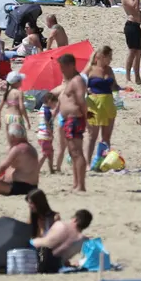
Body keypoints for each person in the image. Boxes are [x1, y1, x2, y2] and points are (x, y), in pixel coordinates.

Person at [57, 53, 89, 192]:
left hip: (75, 118)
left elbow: (82, 99)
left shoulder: (77, 80)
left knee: (77, 152)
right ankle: (76, 183)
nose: (61, 70)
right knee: (72, 152)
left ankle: (81, 185)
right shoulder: (71, 80)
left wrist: (85, 118)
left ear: (70, 65)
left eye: (63, 67)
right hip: (69, 119)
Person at [32, 209, 92, 273]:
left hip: (30, 252)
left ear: (75, 219)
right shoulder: (84, 241)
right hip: (52, 265)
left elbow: (48, 242)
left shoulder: (59, 224)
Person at [120, 0, 141, 85]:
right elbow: (134, 6)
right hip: (130, 26)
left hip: (137, 26)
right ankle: (128, 77)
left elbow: (137, 8)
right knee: (132, 52)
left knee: (138, 52)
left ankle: (137, 77)